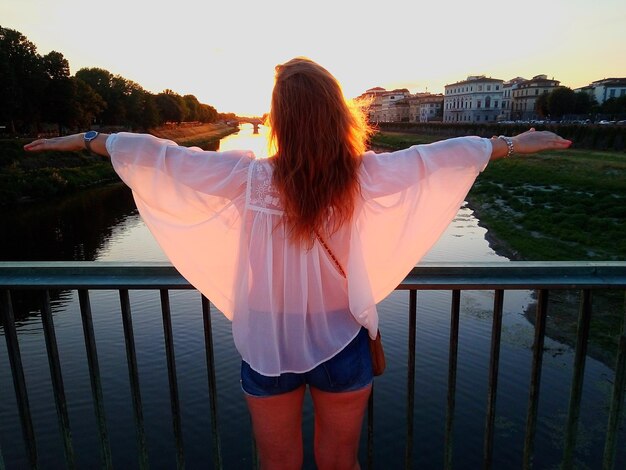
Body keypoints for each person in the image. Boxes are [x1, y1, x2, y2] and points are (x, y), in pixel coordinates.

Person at [24, 57, 571, 469]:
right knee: (340, 465)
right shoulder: (363, 174)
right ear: (337, 113)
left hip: (268, 343)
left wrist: (87, 139)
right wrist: (515, 143)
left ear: (278, 119)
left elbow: (158, 155)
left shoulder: (245, 176)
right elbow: (439, 158)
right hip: (342, 339)